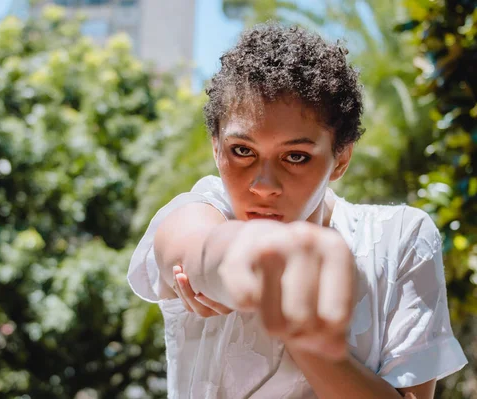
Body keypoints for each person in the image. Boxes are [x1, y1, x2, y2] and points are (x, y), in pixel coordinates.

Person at [127, 23, 467, 398]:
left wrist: (304, 335)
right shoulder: (201, 209)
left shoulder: (400, 238)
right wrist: (260, 266)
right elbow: (202, 251)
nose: (264, 185)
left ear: (341, 159)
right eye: (242, 151)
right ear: (215, 147)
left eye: (295, 156)